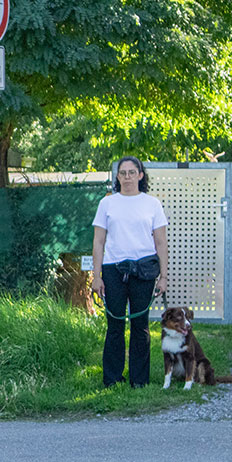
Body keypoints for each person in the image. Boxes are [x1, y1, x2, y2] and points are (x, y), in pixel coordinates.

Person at [91, 156, 169, 388]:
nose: (127, 177)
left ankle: (139, 381)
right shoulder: (107, 204)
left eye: (131, 172)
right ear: (117, 177)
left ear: (141, 175)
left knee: (140, 326)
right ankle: (112, 379)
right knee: (115, 326)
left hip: (143, 271)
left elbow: (161, 242)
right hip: (113, 270)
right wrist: (96, 276)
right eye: (122, 173)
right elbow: (98, 241)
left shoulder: (152, 204)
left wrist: (163, 276)